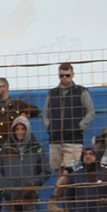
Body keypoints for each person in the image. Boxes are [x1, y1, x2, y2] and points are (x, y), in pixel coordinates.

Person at [43, 63, 95, 195]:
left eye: (67, 75)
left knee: (69, 170)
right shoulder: (52, 93)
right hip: (55, 138)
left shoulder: (81, 91)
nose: (64, 78)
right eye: (62, 75)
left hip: (74, 139)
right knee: (59, 172)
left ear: (72, 75)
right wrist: (49, 127)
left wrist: (79, 127)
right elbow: (45, 113)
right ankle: (64, 206)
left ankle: (53, 199)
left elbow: (91, 112)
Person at [0, 116, 48, 212]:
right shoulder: (5, 148)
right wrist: (6, 187)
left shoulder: (37, 148)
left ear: (28, 130)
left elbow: (45, 171)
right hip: (11, 196)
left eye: (23, 129)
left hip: (30, 196)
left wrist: (33, 184)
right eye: (17, 129)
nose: (20, 132)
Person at [0, 77, 41, 147]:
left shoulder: (17, 103)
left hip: (11, 147)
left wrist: (24, 113)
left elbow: (36, 110)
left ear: (5, 88)